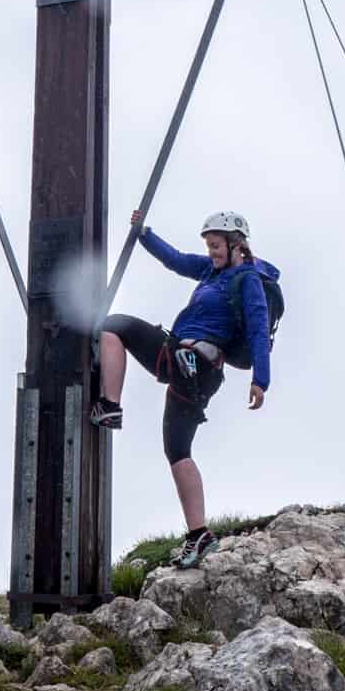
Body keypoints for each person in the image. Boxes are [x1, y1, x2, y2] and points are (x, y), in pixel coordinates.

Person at [90, 209, 280, 568]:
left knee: (113, 327)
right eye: (208, 246)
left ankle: (110, 405)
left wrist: (260, 380)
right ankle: (199, 535)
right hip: (181, 359)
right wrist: (143, 232)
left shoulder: (247, 280)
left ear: (236, 244)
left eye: (216, 246)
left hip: (197, 366)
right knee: (176, 448)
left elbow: (257, 330)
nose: (211, 252)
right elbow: (176, 261)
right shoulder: (210, 271)